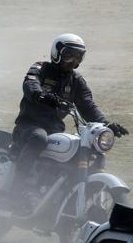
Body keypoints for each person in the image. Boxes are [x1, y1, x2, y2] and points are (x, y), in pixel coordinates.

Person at [11, 33, 129, 212]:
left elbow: (88, 105)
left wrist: (106, 125)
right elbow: (30, 84)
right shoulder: (40, 68)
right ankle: (17, 189)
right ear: (57, 53)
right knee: (39, 138)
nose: (72, 61)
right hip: (28, 127)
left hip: (55, 131)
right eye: (68, 56)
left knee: (78, 148)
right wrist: (41, 95)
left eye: (77, 57)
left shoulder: (76, 80)